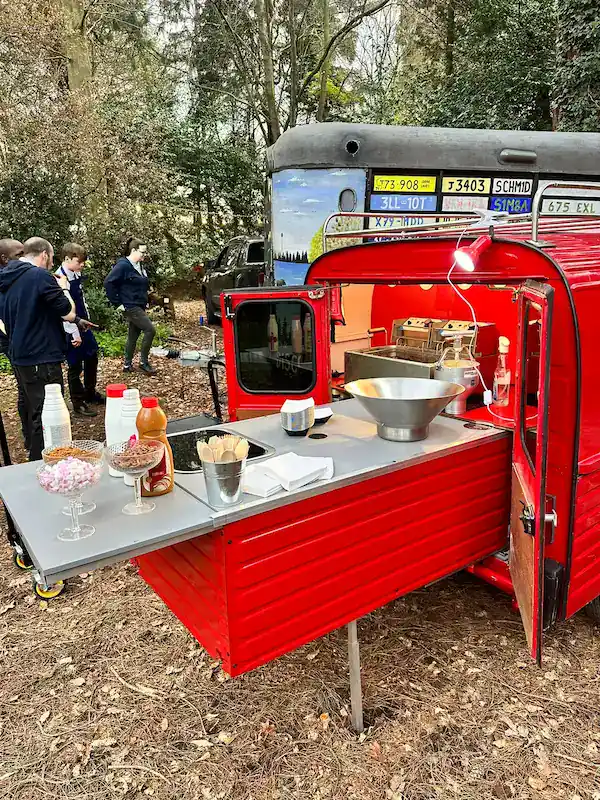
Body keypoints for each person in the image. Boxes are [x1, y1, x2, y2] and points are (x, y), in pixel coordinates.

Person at [0, 237, 77, 460]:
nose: (52, 263)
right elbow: (68, 312)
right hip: (41, 356)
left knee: (35, 411)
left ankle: (37, 457)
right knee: (48, 415)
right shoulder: (39, 276)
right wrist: (64, 289)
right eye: (52, 258)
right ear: (44, 255)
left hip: (21, 357)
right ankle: (43, 463)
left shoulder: (8, 279)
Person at [56, 243, 103, 418]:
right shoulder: (59, 278)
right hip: (70, 328)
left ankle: (90, 392)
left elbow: (80, 298)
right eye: (79, 261)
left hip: (83, 323)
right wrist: (74, 333)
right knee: (75, 365)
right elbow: (64, 310)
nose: (82, 264)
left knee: (92, 356)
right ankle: (77, 402)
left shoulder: (76, 273)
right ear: (67, 259)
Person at [104, 238, 156, 375]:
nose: (144, 255)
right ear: (133, 250)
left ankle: (127, 365)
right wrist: (117, 303)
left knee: (133, 335)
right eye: (142, 252)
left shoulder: (139, 266)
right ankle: (144, 363)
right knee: (150, 330)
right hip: (130, 306)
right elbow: (109, 283)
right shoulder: (123, 266)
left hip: (139, 305)